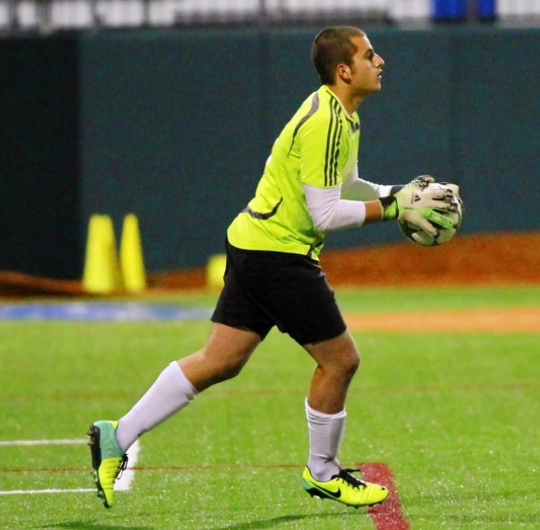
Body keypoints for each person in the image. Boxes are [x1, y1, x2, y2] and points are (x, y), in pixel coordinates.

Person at [87, 25, 460, 510]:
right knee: (340, 360)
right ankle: (323, 472)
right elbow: (324, 213)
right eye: (370, 55)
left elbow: (346, 185)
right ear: (344, 70)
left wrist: (395, 193)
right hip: (277, 255)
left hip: (254, 243)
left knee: (220, 360)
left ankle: (117, 435)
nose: (381, 60)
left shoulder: (340, 115)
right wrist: (391, 211)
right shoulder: (327, 120)